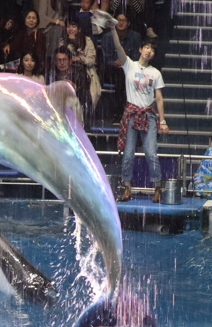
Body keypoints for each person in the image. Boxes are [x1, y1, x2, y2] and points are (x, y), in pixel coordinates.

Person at [110, 23, 167, 202]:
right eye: (147, 48)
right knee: (128, 154)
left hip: (148, 115)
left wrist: (163, 121)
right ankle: (127, 187)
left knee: (151, 152)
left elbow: (158, 98)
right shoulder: (130, 66)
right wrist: (113, 29)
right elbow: (118, 47)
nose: (149, 51)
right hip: (131, 114)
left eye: (152, 50)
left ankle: (157, 186)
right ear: (141, 49)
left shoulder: (155, 73)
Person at [101, 12, 139, 120]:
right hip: (111, 70)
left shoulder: (135, 37)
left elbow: (136, 56)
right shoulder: (107, 37)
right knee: (120, 76)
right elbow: (105, 58)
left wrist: (125, 63)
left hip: (130, 69)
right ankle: (121, 113)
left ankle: (121, 113)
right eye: (118, 20)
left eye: (124, 20)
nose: (121, 23)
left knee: (124, 76)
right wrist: (114, 63)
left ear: (128, 23)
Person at [64, 18, 100, 111]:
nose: (70, 29)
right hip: (68, 73)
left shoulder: (87, 40)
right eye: (68, 26)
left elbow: (91, 60)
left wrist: (80, 58)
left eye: (73, 26)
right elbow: (63, 58)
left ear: (79, 29)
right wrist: (70, 43)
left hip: (85, 72)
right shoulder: (63, 40)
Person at [37, 0, 69, 68]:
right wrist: (57, 22)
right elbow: (41, 15)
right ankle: (52, 59)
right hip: (47, 27)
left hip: (61, 27)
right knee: (56, 30)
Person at [51, 48, 90, 123]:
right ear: (55, 62)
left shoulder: (79, 73)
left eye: (64, 60)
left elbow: (86, 96)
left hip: (76, 108)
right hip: (57, 108)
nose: (62, 63)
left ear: (70, 61)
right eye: (59, 60)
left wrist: (75, 87)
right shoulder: (52, 74)